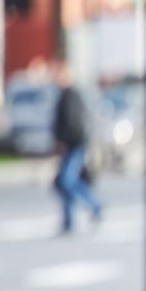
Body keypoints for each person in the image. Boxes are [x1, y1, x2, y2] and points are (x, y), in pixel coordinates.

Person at [51, 64, 102, 234]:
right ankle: (68, 220)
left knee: (67, 181)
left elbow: (73, 123)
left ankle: (94, 206)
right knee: (65, 183)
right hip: (70, 145)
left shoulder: (71, 96)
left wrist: (63, 141)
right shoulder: (66, 95)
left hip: (73, 145)